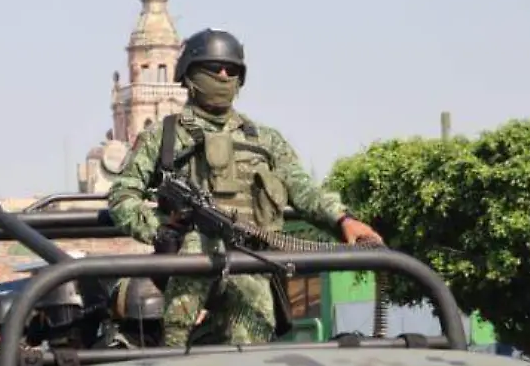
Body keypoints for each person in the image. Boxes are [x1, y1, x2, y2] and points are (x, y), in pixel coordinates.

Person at [108, 28, 384, 347]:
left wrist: (344, 220)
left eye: (232, 69)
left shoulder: (264, 140)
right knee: (175, 354)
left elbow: (305, 190)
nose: (224, 75)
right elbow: (122, 196)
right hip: (190, 262)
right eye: (214, 68)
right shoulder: (164, 136)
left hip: (252, 260)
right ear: (190, 74)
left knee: (252, 354)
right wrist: (162, 231)